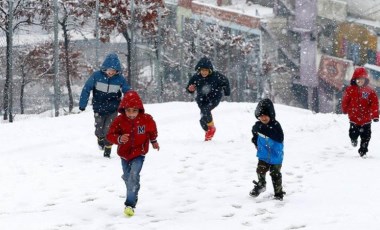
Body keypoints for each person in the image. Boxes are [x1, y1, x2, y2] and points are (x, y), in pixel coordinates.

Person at [106, 90, 159, 217]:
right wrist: (119, 139)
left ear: (139, 110)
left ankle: (130, 204)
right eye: (128, 110)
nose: (131, 114)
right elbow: (110, 135)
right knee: (128, 177)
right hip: (124, 154)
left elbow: (152, 131)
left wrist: (154, 141)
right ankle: (132, 185)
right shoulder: (119, 120)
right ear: (123, 109)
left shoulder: (146, 119)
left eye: (134, 111)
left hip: (139, 152)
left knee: (133, 175)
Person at [79, 53, 130, 158]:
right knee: (99, 128)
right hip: (98, 107)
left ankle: (108, 149)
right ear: (104, 69)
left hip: (113, 109)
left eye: (114, 70)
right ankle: (100, 138)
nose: (111, 72)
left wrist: (130, 104)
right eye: (109, 70)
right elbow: (86, 89)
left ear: (117, 71)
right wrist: (82, 104)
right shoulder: (96, 76)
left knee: (110, 129)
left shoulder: (120, 79)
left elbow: (128, 92)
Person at [186, 56, 230, 141]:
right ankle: (209, 130)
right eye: (202, 70)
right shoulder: (196, 77)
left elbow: (225, 81)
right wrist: (190, 89)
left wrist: (226, 91)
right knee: (202, 120)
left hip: (214, 98)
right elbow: (189, 87)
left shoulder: (216, 76)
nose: (204, 72)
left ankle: (211, 129)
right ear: (199, 70)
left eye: (206, 70)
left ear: (210, 70)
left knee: (206, 110)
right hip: (201, 99)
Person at [249, 98, 285, 200]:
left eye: (265, 116)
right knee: (260, 170)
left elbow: (279, 137)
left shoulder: (275, 125)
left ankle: (278, 193)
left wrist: (263, 129)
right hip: (263, 154)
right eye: (260, 116)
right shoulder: (257, 126)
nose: (263, 118)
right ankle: (261, 185)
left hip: (275, 155)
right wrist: (255, 141)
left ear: (271, 115)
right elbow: (255, 134)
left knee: (275, 174)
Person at [341, 66, 379, 157]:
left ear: (365, 80)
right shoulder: (350, 90)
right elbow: (345, 100)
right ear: (355, 79)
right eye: (358, 80)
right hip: (354, 118)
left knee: (366, 137)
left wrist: (375, 115)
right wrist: (345, 109)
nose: (360, 81)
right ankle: (354, 140)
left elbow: (374, 104)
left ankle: (363, 150)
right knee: (353, 134)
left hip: (366, 119)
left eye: (362, 79)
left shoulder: (370, 91)